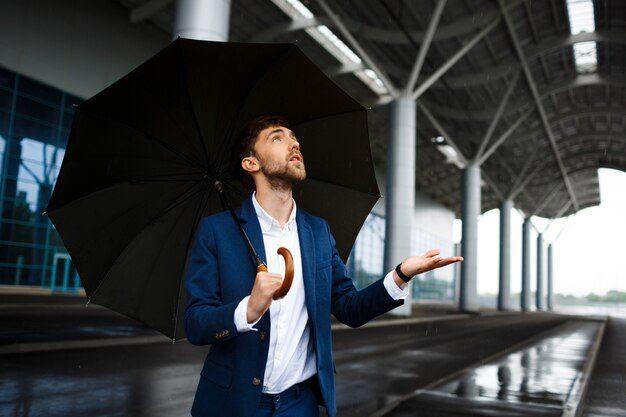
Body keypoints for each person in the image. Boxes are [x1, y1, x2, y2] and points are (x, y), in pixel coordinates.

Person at [184, 115, 463, 417]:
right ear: (251, 164)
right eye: (277, 137)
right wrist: (247, 311)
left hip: (299, 404)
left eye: (294, 137)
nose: (294, 143)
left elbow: (349, 307)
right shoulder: (217, 231)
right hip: (232, 403)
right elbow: (196, 323)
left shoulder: (317, 232)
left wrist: (400, 274)